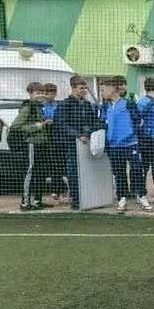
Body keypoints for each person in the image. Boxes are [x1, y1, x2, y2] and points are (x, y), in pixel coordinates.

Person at [99, 76, 152, 213]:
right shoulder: (105, 106)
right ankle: (122, 199)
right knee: (119, 173)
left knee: (137, 170)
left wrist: (131, 134)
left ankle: (142, 196)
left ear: (112, 89)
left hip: (130, 144)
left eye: (103, 90)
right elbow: (102, 123)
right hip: (114, 146)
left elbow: (138, 121)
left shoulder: (128, 104)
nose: (102, 93)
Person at [53, 75, 99, 210]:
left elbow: (93, 121)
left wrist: (91, 133)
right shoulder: (65, 104)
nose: (84, 90)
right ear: (73, 88)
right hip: (72, 143)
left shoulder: (88, 105)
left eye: (85, 88)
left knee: (87, 169)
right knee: (73, 171)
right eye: (81, 88)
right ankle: (75, 199)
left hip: (87, 142)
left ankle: (88, 197)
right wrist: (77, 135)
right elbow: (61, 123)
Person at [11, 82, 52, 210]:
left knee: (41, 172)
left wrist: (46, 124)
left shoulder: (40, 106)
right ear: (30, 93)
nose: (41, 95)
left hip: (42, 143)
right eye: (38, 93)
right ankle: (25, 203)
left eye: (43, 93)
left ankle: (37, 201)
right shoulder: (27, 107)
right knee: (30, 171)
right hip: (31, 144)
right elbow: (16, 126)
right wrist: (36, 126)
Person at [41, 83, 69, 202]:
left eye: (49, 93)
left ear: (55, 94)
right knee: (52, 164)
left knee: (61, 164)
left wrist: (53, 121)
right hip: (47, 139)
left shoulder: (59, 106)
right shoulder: (41, 106)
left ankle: (64, 188)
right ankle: (56, 189)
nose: (46, 96)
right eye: (45, 93)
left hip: (59, 139)